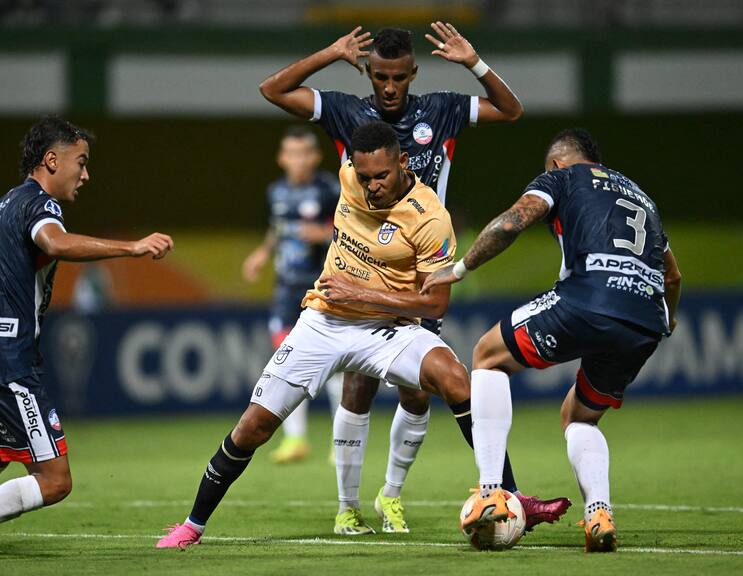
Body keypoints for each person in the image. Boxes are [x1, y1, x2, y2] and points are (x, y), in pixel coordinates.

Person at [260, 23, 568, 534]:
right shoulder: (345, 110)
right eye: (380, 76)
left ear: (412, 73)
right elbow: (272, 90)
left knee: (418, 393)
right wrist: (331, 53)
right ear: (370, 73)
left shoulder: (442, 109)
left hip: (422, 271)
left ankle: (393, 496)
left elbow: (511, 110)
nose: (388, 87)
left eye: (398, 77)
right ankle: (346, 507)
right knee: (357, 387)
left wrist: (474, 63)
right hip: (362, 266)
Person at [158, 121, 474, 547]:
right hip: (323, 322)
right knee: (253, 427)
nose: (372, 186)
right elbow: (290, 98)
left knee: (455, 379)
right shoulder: (346, 179)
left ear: (402, 162)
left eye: (381, 176)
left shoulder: (431, 217)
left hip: (385, 328)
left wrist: (359, 291)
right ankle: (192, 526)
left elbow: (435, 305)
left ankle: (502, 490)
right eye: (364, 178)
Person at [421, 128, 683, 552]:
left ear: (558, 163)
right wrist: (665, 322)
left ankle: (491, 491)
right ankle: (599, 512)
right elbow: (672, 275)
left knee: (487, 355)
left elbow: (512, 221)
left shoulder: (562, 178)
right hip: (644, 320)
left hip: (589, 297)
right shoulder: (642, 198)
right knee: (578, 417)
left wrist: (459, 269)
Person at [0, 116, 174, 524]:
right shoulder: (40, 204)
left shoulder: (7, 202)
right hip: (12, 361)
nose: (86, 174)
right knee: (54, 480)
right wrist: (132, 248)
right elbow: (55, 242)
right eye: (81, 162)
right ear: (52, 161)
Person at [241, 126, 342, 465]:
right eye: (292, 153)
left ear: (314, 157)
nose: (298, 160)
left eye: (305, 153)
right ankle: (295, 439)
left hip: (322, 285)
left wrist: (325, 233)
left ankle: (340, 440)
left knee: (333, 365)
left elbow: (353, 227)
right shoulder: (277, 192)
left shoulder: (330, 189)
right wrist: (262, 253)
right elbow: (277, 229)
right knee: (285, 358)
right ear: (282, 158)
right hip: (286, 287)